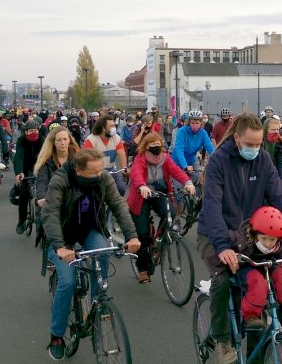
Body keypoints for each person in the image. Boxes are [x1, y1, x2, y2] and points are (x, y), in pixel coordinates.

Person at [197, 113, 282, 364]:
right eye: (249, 145)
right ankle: (222, 339)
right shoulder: (218, 162)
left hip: (252, 234)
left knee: (269, 275)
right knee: (223, 280)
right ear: (236, 138)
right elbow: (212, 207)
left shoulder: (262, 160)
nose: (255, 149)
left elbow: (279, 199)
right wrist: (221, 246)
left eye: (259, 144)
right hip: (216, 233)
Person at [41, 149, 141, 360]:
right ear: (78, 171)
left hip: (89, 228)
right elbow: (50, 214)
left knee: (102, 252)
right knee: (67, 282)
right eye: (94, 173)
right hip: (62, 234)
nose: (100, 175)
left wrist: (132, 236)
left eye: (101, 171)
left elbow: (118, 205)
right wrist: (60, 246)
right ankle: (57, 335)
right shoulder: (60, 181)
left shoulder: (103, 178)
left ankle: (99, 301)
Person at [126, 132, 195, 283]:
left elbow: (176, 171)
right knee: (142, 234)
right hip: (141, 195)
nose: (157, 148)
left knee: (169, 215)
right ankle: (143, 268)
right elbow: (136, 174)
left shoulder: (165, 158)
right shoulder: (141, 158)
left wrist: (187, 182)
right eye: (153, 146)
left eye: (159, 145)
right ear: (147, 146)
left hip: (159, 193)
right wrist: (142, 186)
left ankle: (159, 239)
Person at [233, 206, 282, 329]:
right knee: (257, 282)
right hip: (248, 266)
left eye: (272, 240)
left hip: (268, 264)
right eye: (264, 239)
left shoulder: (280, 243)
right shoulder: (244, 240)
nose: (267, 244)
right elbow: (233, 246)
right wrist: (234, 254)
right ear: (255, 235)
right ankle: (251, 315)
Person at [34, 126, 80, 211]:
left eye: (65, 139)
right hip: (52, 198)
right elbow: (42, 181)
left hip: (73, 198)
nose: (62, 143)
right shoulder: (46, 160)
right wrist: (42, 197)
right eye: (59, 140)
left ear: (70, 140)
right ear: (53, 142)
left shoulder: (78, 158)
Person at [82, 115, 128, 196]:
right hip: (96, 172)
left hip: (112, 170)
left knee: (121, 189)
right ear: (103, 128)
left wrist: (124, 167)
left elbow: (121, 154)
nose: (114, 128)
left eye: (114, 125)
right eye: (111, 126)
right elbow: (87, 159)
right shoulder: (91, 140)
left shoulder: (116, 138)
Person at [14, 121, 45, 234]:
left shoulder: (42, 140)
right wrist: (19, 172)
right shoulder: (21, 140)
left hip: (40, 167)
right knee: (24, 193)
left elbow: (46, 156)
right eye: (31, 131)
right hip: (25, 167)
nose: (34, 132)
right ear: (26, 132)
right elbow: (19, 157)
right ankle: (21, 221)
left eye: (36, 130)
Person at [172, 109, 215, 185]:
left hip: (192, 160)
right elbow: (179, 149)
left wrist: (218, 160)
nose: (195, 125)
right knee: (180, 184)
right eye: (192, 123)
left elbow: (210, 148)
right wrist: (185, 166)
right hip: (178, 161)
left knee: (199, 178)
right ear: (189, 122)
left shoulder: (203, 133)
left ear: (201, 123)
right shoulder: (182, 131)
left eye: (197, 123)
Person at [262, 117, 282, 185]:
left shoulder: (278, 143)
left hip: (273, 176)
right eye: (273, 129)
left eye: (277, 129)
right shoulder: (258, 142)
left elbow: (281, 163)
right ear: (266, 130)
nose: (276, 132)